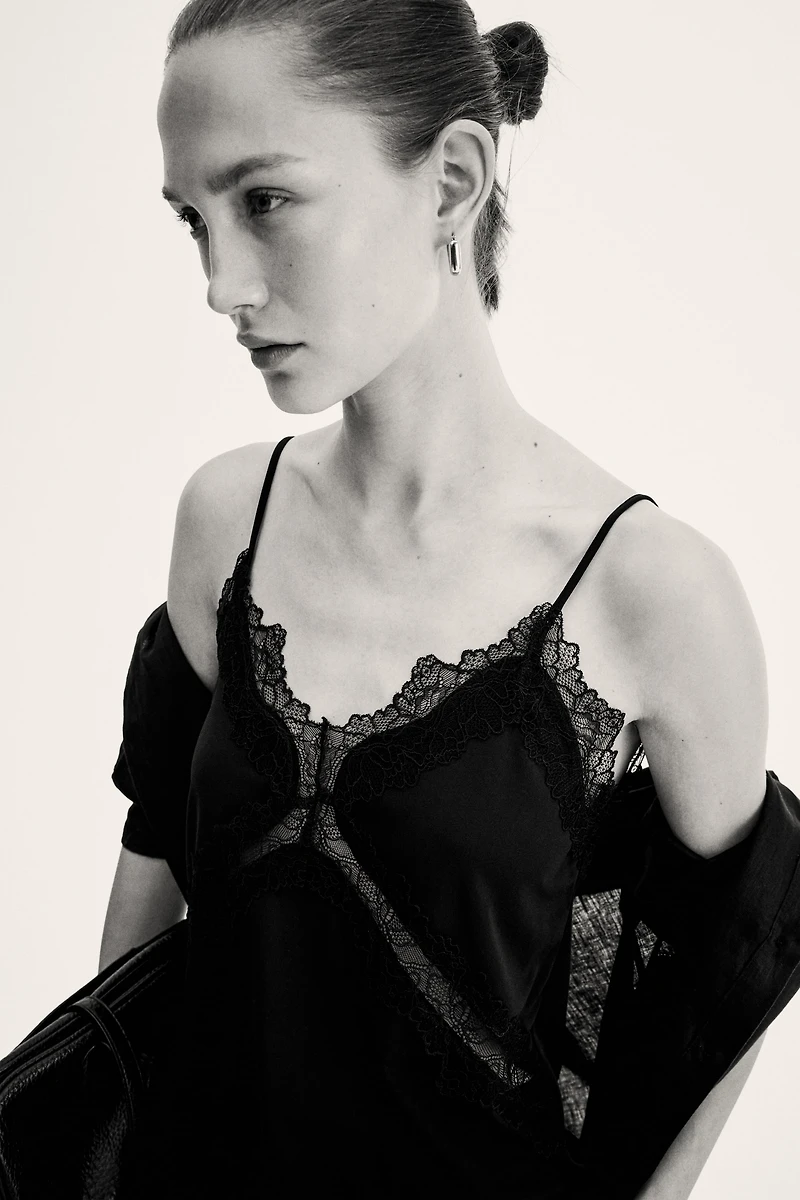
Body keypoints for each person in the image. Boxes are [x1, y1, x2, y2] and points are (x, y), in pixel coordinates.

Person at [99, 3, 800, 1198]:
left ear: (452, 180)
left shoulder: (653, 594)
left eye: (264, 199)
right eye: (192, 220)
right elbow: (136, 932)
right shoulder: (225, 520)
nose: (220, 284)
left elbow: (720, 993)